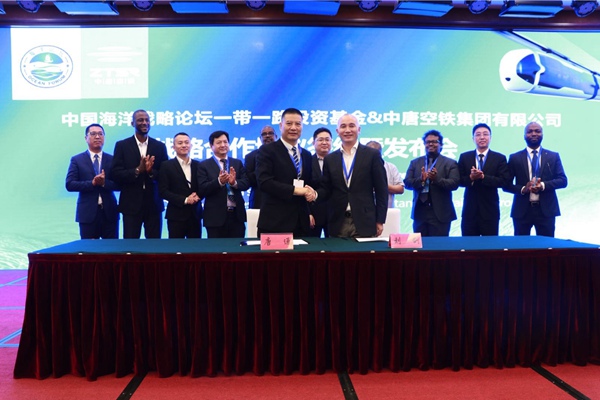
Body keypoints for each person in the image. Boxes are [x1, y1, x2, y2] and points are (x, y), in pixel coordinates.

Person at [316, 114, 388, 238]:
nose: (348, 130)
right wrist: (314, 194)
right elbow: (326, 189)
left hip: (365, 221)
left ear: (359, 129)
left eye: (352, 126)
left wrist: (380, 220)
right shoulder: (330, 159)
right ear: (337, 131)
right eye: (343, 126)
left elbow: (381, 189)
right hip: (338, 221)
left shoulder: (372, 155)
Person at [256, 107, 315, 236]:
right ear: (280, 125)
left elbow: (309, 183)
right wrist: (296, 190)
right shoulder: (267, 151)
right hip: (275, 222)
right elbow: (264, 182)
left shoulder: (306, 154)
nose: (293, 128)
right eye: (289, 123)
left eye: (298, 124)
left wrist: (312, 195)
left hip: (302, 223)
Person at [111, 109, 169, 238]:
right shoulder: (122, 145)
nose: (144, 123)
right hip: (130, 205)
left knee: (154, 245)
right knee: (131, 245)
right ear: (132, 123)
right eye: (140, 120)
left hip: (154, 204)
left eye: (147, 120)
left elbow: (165, 175)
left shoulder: (159, 146)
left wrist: (150, 172)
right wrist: (137, 170)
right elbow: (115, 174)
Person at [504, 121, 567, 237]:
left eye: (537, 131)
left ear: (542, 134)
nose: (534, 134)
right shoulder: (515, 157)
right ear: (524, 135)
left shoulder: (553, 156)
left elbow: (563, 181)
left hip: (546, 211)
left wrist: (542, 185)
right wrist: (523, 189)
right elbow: (506, 185)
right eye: (530, 131)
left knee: (547, 245)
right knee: (521, 246)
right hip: (522, 210)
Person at [65, 123, 119, 239]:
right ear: (86, 138)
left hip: (109, 213)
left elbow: (120, 185)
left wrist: (104, 183)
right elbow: (70, 184)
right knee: (89, 249)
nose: (97, 137)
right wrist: (92, 183)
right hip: (87, 214)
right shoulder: (77, 160)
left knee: (111, 248)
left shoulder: (112, 159)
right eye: (93, 134)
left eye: (100, 134)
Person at [457, 123, 510, 236]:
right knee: (468, 244)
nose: (482, 137)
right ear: (473, 138)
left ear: (490, 137)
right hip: (469, 211)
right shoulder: (465, 157)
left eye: (485, 134)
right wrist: (471, 178)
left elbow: (504, 181)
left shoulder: (499, 158)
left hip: (490, 211)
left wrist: (483, 177)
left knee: (490, 245)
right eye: (478, 135)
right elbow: (458, 181)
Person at [404, 130, 460, 237]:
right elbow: (407, 183)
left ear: (441, 145)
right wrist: (421, 180)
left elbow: (454, 184)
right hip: (420, 212)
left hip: (440, 213)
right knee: (420, 245)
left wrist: (436, 179)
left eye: (434, 142)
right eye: (427, 142)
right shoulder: (415, 162)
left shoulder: (450, 163)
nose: (430, 144)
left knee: (439, 245)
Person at [198, 130, 250, 238]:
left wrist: (234, 182)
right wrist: (219, 182)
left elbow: (246, 183)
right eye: (219, 142)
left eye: (225, 142)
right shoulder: (204, 165)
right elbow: (202, 189)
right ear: (211, 146)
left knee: (236, 246)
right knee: (217, 247)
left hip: (237, 216)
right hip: (214, 218)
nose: (223, 145)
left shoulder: (237, 163)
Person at [158, 132, 203, 238]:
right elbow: (163, 191)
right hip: (176, 215)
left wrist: (198, 196)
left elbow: (204, 186)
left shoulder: (198, 165)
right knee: (176, 247)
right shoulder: (166, 166)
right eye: (180, 143)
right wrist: (185, 200)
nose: (184, 145)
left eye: (187, 142)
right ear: (173, 147)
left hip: (195, 215)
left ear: (191, 145)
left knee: (196, 247)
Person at [245, 125, 278, 209]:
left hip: (280, 199)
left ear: (276, 136)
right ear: (260, 138)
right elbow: (249, 181)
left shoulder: (285, 155)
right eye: (264, 134)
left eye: (270, 133)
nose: (267, 136)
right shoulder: (250, 156)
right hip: (259, 201)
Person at [308, 127, 332, 237]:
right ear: (313, 143)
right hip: (314, 213)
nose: (324, 142)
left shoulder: (338, 161)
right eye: (320, 140)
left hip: (334, 214)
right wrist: (308, 213)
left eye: (327, 139)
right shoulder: (307, 161)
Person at [366, 140, 404, 208]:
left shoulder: (391, 167)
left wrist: (382, 185)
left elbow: (400, 189)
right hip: (364, 210)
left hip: (387, 209)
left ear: (380, 154)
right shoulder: (359, 167)